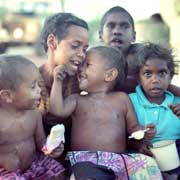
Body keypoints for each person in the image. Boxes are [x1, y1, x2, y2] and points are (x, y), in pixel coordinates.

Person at [49, 46, 163, 180]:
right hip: (86, 160)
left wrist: (144, 132)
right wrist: (57, 82)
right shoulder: (77, 99)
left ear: (109, 75)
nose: (80, 68)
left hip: (119, 160)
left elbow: (133, 128)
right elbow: (57, 110)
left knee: (149, 165)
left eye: (87, 65)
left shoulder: (121, 99)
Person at [38, 12, 89, 172]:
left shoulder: (80, 79)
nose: (82, 54)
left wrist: (169, 90)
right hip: (37, 150)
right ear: (52, 42)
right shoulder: (30, 79)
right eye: (75, 46)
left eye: (85, 48)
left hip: (70, 151)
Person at [0, 55, 65, 180]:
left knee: (57, 172)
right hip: (6, 172)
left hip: (34, 165)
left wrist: (51, 147)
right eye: (33, 86)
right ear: (7, 96)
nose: (39, 90)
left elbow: (41, 142)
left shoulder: (34, 113)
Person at [98, 6, 180, 96]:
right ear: (100, 36)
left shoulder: (143, 58)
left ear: (134, 36)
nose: (117, 31)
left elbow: (165, 85)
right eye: (111, 26)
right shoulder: (93, 60)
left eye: (124, 27)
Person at [129, 43, 180, 179]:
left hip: (175, 155)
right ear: (138, 78)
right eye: (147, 74)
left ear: (170, 76)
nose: (155, 80)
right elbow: (122, 134)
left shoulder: (177, 102)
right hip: (144, 156)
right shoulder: (130, 101)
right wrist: (137, 144)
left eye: (162, 73)